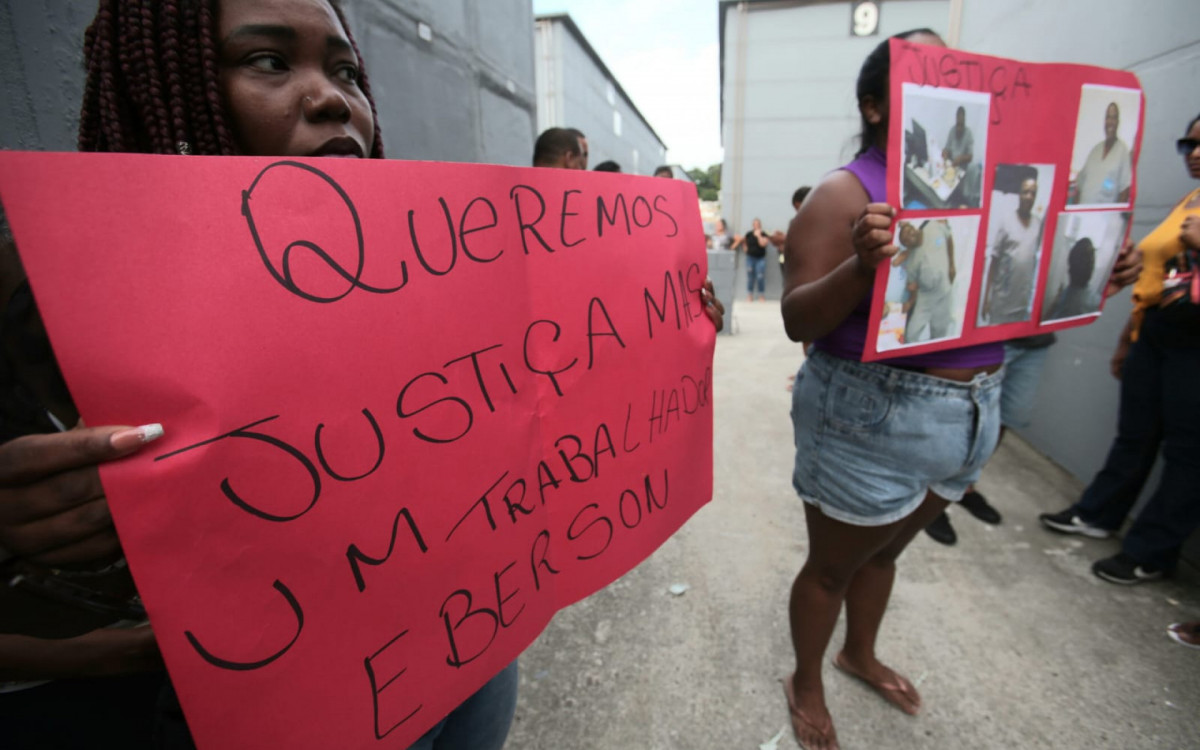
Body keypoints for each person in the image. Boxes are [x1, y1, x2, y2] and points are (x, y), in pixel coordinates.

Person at [780, 29, 1005, 750]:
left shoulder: (980, 187)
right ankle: (806, 678)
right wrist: (860, 267)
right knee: (832, 568)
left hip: (970, 416)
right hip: (870, 419)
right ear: (876, 107)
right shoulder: (843, 192)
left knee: (884, 555)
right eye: (925, 76)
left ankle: (858, 654)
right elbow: (795, 319)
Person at [1039, 114, 1200, 585]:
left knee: (1188, 452)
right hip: (1157, 330)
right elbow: (1159, 276)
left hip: (1195, 342)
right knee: (1136, 432)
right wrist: (1130, 336)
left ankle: (1152, 551)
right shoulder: (1189, 200)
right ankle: (1098, 514)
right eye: (1187, 143)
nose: (1193, 152)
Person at [981, 176, 1044, 325]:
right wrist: (986, 299)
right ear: (1019, 194)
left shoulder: (1038, 225)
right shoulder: (1006, 222)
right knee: (993, 345)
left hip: (1021, 306)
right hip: (1001, 304)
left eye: (1033, 193)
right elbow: (993, 262)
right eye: (1025, 192)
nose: (1029, 196)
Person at [903, 218, 957, 342]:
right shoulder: (911, 261)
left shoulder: (933, 226)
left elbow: (948, 238)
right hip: (925, 298)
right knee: (910, 336)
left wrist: (952, 265)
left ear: (914, 228)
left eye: (909, 232)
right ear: (906, 245)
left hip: (944, 291)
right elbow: (912, 287)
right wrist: (910, 302)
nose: (909, 237)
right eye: (905, 240)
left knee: (939, 334)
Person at [1070, 102, 1133, 205]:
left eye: (1114, 118)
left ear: (1118, 122)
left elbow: (1124, 191)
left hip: (1103, 218)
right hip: (1083, 214)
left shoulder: (1122, 151)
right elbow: (1080, 186)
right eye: (1108, 117)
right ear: (1104, 121)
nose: (1110, 122)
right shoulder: (1095, 150)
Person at [1046, 237, 1102, 319]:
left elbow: (1048, 323)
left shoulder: (1069, 306)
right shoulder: (1097, 300)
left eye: (1070, 265)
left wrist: (1055, 302)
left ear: (1070, 269)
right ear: (1091, 270)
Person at [941, 106, 980, 205]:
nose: (959, 128)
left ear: (964, 122)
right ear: (956, 120)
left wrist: (961, 158)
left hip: (962, 170)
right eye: (958, 125)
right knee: (942, 188)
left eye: (961, 125)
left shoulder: (968, 133)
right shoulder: (952, 131)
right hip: (951, 167)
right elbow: (947, 149)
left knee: (959, 198)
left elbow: (970, 156)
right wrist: (945, 152)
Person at [744, 218, 770, 302]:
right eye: (754, 224)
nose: (756, 225)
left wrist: (758, 236)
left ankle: (761, 295)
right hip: (750, 258)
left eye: (758, 224)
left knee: (760, 276)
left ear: (760, 225)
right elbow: (744, 242)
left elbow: (763, 244)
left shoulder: (764, 234)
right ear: (753, 225)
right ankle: (749, 295)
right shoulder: (749, 234)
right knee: (750, 277)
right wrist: (746, 249)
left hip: (760, 259)